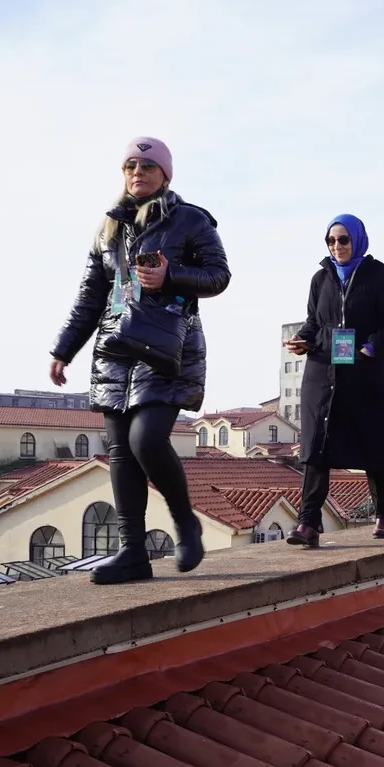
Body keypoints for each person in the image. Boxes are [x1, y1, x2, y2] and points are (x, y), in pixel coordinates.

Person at [50, 137, 231, 584]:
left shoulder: (189, 219)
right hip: (115, 350)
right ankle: (132, 553)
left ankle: (185, 522)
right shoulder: (109, 227)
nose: (138, 172)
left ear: (165, 174)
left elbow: (219, 275)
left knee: (146, 441)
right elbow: (91, 296)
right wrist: (63, 349)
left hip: (167, 347)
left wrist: (172, 275)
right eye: (130, 164)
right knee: (120, 453)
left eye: (148, 165)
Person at [285, 215, 384, 548]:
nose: (336, 246)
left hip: (364, 372)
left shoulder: (378, 276)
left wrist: (371, 347)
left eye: (343, 240)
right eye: (330, 240)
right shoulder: (320, 278)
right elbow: (313, 321)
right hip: (322, 371)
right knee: (317, 445)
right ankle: (308, 523)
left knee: (373, 442)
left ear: (357, 239)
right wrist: (301, 339)